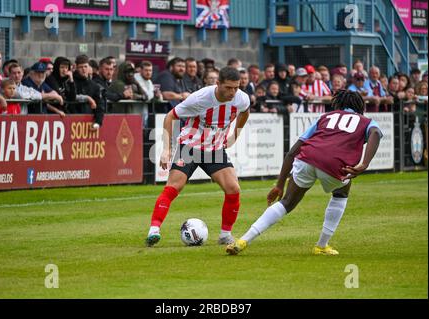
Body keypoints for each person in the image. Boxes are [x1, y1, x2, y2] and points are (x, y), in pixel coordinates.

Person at [226, 90, 382, 256]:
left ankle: (243, 240)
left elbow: (292, 152)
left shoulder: (325, 117)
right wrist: (364, 164)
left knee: (287, 202)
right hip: (334, 165)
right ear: (360, 107)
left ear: (337, 104)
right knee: (341, 193)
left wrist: (279, 185)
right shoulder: (366, 121)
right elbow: (376, 133)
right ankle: (321, 245)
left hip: (307, 158)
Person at [145, 67, 251, 247]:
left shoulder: (241, 98)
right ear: (217, 84)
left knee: (233, 188)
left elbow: (245, 112)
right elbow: (171, 116)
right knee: (174, 187)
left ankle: (225, 235)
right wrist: (166, 149)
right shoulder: (201, 98)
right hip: (190, 147)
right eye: (228, 88)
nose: (233, 92)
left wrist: (235, 135)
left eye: (236, 87)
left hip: (215, 149)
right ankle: (154, 230)